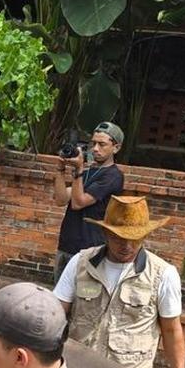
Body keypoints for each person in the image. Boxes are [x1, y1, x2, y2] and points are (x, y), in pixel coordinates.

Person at [54, 195, 185, 368]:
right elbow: (56, 313)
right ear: (106, 233)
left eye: (135, 239)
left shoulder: (162, 274)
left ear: (145, 235)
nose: (127, 245)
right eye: (119, 238)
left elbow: (171, 330)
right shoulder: (80, 263)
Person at [52, 121, 126, 283]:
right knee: (59, 300)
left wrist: (78, 171)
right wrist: (60, 169)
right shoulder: (86, 173)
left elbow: (78, 203)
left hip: (90, 251)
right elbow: (61, 199)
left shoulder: (113, 176)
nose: (96, 149)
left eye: (102, 144)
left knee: (86, 298)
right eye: (93, 143)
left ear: (116, 148)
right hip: (66, 245)